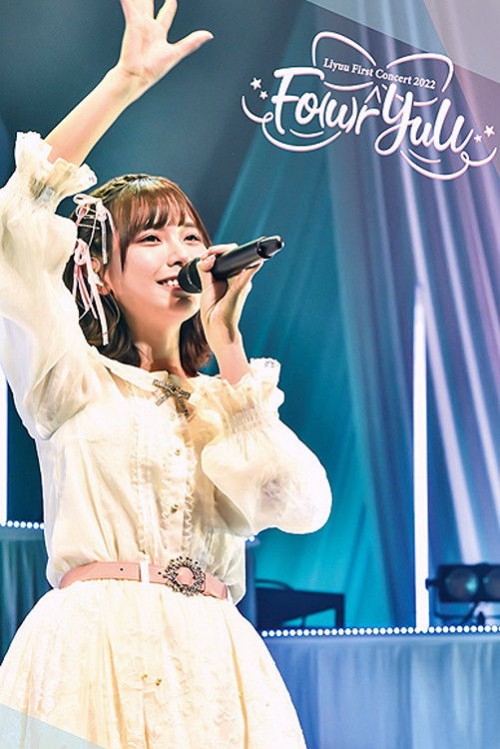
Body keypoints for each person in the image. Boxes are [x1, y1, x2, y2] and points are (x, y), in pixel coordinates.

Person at [0, 1, 332, 747]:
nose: (180, 251)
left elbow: (297, 506)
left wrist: (229, 343)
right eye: (151, 238)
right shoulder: (69, 375)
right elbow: (11, 222)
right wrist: (122, 83)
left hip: (215, 665)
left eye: (189, 235)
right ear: (101, 272)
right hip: (94, 655)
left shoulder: (226, 404)